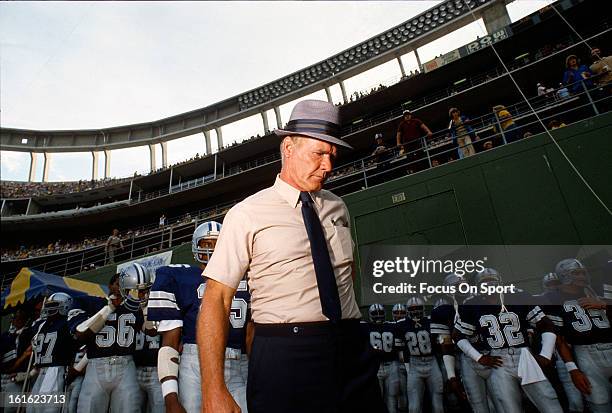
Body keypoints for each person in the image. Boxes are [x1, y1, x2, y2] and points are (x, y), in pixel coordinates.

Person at [198, 99, 384, 413]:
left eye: (332, 156)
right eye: (319, 153)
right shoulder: (247, 213)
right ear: (288, 147)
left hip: (352, 348)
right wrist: (212, 389)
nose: (328, 166)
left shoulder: (339, 208)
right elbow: (216, 299)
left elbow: (345, 276)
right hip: (286, 354)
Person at [148, 221, 250, 413]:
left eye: (217, 243)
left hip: (238, 363)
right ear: (196, 246)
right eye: (206, 244)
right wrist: (170, 397)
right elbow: (169, 342)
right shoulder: (179, 277)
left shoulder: (245, 277)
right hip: (194, 364)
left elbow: (251, 333)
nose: (212, 249)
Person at [453, 268, 563, 413]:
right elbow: (458, 335)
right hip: (498, 360)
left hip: (524, 355)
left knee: (549, 401)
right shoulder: (472, 304)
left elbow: (545, 324)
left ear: (500, 282)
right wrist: (479, 357)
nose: (489, 284)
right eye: (484, 282)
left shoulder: (518, 296)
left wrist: (546, 354)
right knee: (508, 407)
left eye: (492, 280)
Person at [543, 259, 611, 413]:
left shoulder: (597, 291)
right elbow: (558, 338)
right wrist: (572, 369)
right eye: (576, 273)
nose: (581, 276)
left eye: (582, 272)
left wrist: (604, 305)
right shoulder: (552, 299)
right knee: (600, 403)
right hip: (585, 353)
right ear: (563, 275)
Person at [75, 265, 147, 412]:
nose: (120, 288)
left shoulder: (134, 307)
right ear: (110, 285)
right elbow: (81, 335)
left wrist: (144, 306)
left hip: (126, 365)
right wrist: (109, 308)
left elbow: (151, 331)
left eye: (124, 285)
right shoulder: (94, 303)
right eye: (117, 284)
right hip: (97, 365)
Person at [27, 293, 87, 413]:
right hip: (40, 372)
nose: (49, 308)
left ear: (65, 306)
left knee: (49, 409)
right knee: (32, 409)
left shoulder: (68, 322)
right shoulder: (41, 325)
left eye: (53, 305)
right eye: (48, 305)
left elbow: (79, 345)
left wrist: (75, 367)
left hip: (56, 370)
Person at [397, 297, 444, 413]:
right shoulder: (401, 325)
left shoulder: (431, 322)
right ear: (407, 310)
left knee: (438, 404)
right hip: (414, 363)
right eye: (412, 309)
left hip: (431, 361)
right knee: (414, 406)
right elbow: (400, 348)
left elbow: (440, 345)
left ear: (423, 308)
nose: (415, 311)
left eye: (418, 308)